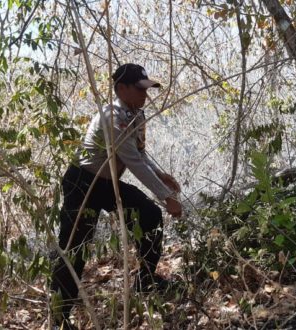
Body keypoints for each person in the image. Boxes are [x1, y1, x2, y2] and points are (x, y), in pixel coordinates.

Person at [50, 63, 182, 328]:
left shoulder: (137, 115)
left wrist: (160, 175)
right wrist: (165, 195)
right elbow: (131, 159)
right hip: (82, 183)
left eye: (146, 89)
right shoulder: (112, 116)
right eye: (140, 89)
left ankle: (146, 281)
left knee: (150, 216)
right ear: (122, 88)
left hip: (108, 184)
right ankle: (59, 319)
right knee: (74, 248)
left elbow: (140, 154)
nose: (145, 95)